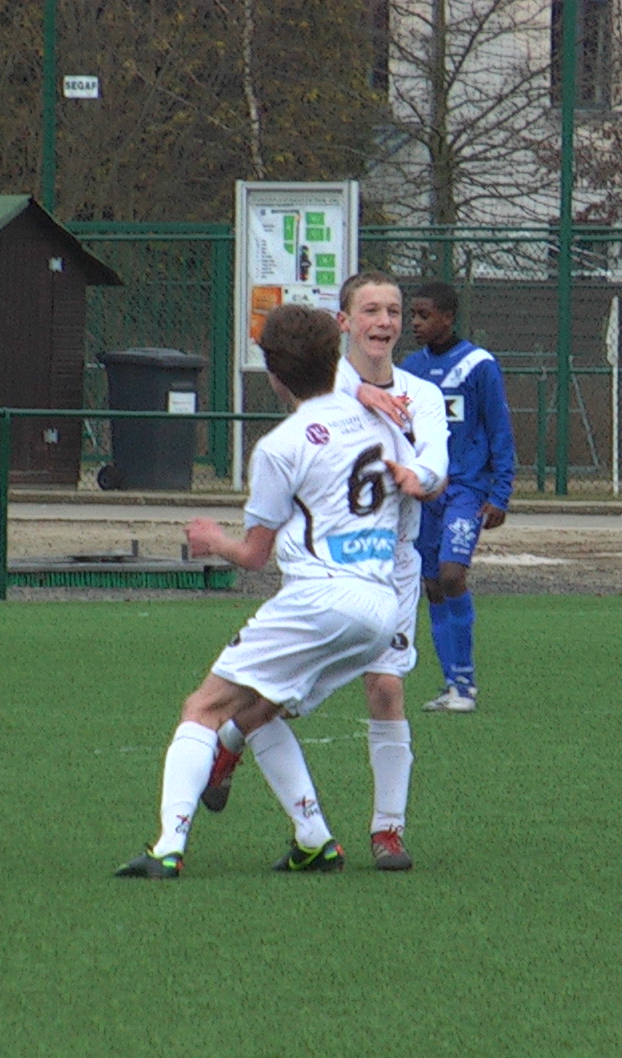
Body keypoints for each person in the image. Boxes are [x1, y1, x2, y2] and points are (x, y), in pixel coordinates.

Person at [114, 303, 430, 878]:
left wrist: (213, 540)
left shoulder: (281, 447)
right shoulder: (381, 418)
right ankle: (314, 841)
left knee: (203, 708)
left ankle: (166, 849)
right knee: (259, 711)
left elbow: (254, 556)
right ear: (335, 358)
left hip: (321, 600)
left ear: (274, 375)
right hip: (381, 608)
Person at [201, 271, 450, 872]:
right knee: (277, 697)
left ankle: (388, 830)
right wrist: (360, 393)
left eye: (393, 311)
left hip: (392, 564)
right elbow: (326, 399)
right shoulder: (326, 382)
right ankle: (238, 744)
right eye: (371, 310)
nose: (384, 322)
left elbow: (437, 460)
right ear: (344, 322)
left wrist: (420, 476)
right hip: (326, 567)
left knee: (386, 687)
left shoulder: (421, 394)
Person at [401, 282, 517, 713]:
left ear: (448, 317)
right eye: (412, 315)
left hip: (466, 488)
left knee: (452, 575)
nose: (415, 323)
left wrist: (500, 492)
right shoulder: (410, 369)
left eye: (424, 315)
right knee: (432, 584)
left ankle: (465, 683)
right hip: (426, 490)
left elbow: (499, 428)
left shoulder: (478, 365)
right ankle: (453, 685)